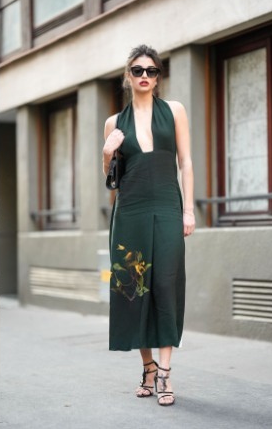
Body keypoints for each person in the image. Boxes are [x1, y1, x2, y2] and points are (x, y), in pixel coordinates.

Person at [102, 44, 195, 407]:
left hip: (169, 207)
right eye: (138, 70)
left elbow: (186, 162)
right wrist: (107, 152)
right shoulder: (114, 122)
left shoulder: (174, 111)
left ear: (158, 77)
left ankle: (166, 372)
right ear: (128, 76)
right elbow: (111, 180)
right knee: (134, 288)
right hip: (130, 213)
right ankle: (149, 368)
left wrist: (189, 210)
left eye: (151, 70)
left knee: (166, 285)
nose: (144, 76)